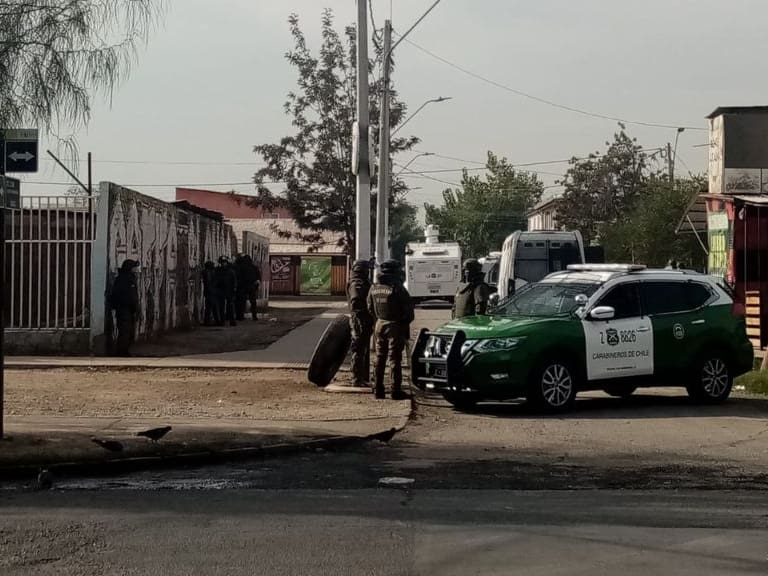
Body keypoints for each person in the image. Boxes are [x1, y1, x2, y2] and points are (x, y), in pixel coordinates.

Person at [367, 259, 415, 400]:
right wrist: (403, 323)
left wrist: (380, 319)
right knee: (394, 359)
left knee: (379, 357)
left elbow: (370, 308)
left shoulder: (374, 287)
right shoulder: (398, 288)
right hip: (395, 326)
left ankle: (378, 389)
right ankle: (395, 390)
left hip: (379, 325)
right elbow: (409, 312)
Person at [347, 259, 373, 387]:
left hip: (363, 319)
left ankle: (360, 377)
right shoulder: (357, 283)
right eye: (366, 269)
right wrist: (364, 314)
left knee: (362, 349)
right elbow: (356, 302)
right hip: (359, 320)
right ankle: (356, 378)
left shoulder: (361, 282)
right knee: (358, 348)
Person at [110, 259, 140, 357]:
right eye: (134, 268)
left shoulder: (124, 278)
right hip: (125, 310)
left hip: (125, 309)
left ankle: (123, 351)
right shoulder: (126, 279)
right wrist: (135, 308)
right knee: (125, 331)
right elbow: (131, 296)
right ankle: (121, 352)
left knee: (127, 331)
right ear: (130, 268)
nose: (136, 270)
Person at [235, 254, 261, 321]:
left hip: (243, 286)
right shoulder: (254, 267)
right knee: (253, 302)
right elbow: (258, 277)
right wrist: (256, 286)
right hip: (252, 286)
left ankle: (240, 316)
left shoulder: (240, 267)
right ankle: (254, 316)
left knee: (242, 302)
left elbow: (238, 277)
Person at [215, 256, 238, 327]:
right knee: (221, 306)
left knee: (230, 306)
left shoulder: (230, 271)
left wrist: (234, 289)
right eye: (222, 263)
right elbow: (216, 280)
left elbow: (234, 281)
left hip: (229, 290)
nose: (223, 264)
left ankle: (232, 321)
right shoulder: (218, 271)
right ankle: (222, 321)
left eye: (224, 262)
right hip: (221, 290)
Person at [202, 260, 220, 326]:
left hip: (210, 292)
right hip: (213, 291)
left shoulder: (207, 273)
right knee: (214, 307)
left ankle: (207, 321)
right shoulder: (213, 272)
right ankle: (217, 320)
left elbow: (208, 283)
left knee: (209, 307)